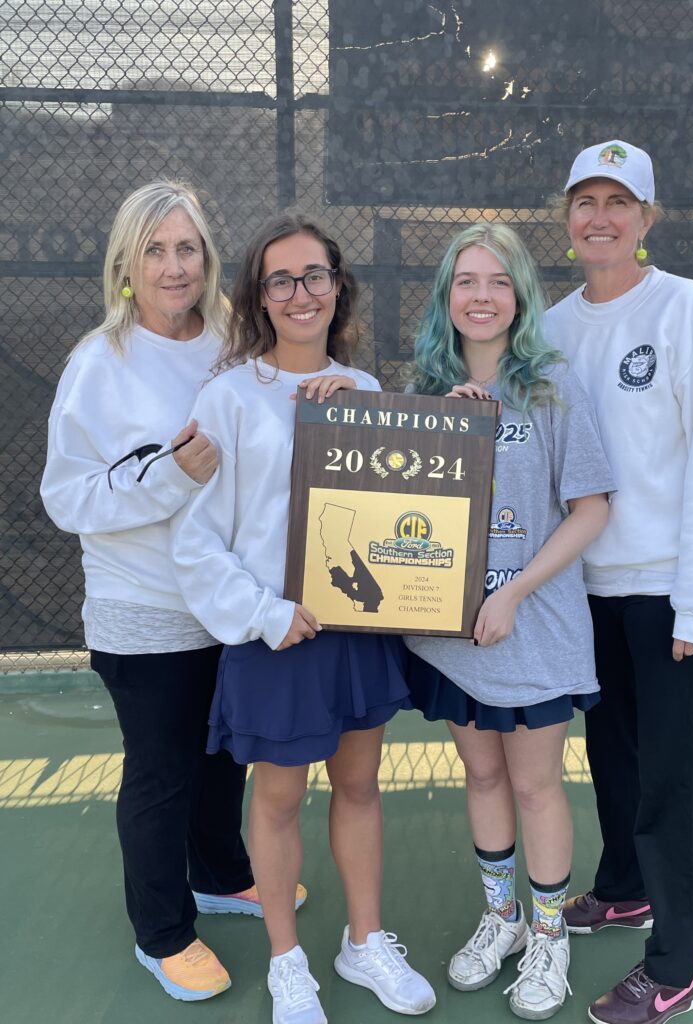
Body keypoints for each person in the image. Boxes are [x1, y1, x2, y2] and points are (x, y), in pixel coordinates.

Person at [40, 181, 307, 1002]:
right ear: (127, 263)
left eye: (186, 248)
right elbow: (66, 498)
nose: (173, 265)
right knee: (161, 772)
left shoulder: (231, 337)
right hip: (144, 611)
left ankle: (221, 872)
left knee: (222, 752)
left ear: (207, 257)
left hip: (226, 597)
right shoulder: (99, 363)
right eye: (154, 249)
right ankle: (161, 932)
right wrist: (165, 476)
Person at [170, 211, 437, 1024]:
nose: (299, 293)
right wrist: (264, 613)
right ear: (259, 296)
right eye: (280, 279)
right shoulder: (226, 398)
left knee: (359, 787)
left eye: (313, 275)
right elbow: (196, 542)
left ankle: (364, 942)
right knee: (279, 800)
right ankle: (289, 964)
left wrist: (379, 406)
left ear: (337, 286)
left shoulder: (362, 391)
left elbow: (403, 515)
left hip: (353, 628)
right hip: (275, 635)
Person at [545, 140, 693, 1024]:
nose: (600, 216)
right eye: (585, 200)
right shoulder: (548, 328)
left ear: (647, 220)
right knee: (611, 755)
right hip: (580, 590)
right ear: (567, 219)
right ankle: (624, 886)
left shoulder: (685, 311)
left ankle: (674, 965)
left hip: (666, 589)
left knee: (672, 777)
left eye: (618, 202)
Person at [404, 223, 614, 1019]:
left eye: (497, 281)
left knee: (534, 784)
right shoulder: (425, 391)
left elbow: (590, 510)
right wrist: (450, 434)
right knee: (482, 775)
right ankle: (503, 919)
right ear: (446, 297)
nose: (482, 296)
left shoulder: (552, 385)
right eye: (466, 281)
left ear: (520, 294)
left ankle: (551, 934)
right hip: (454, 636)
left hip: (531, 627)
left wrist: (514, 591)